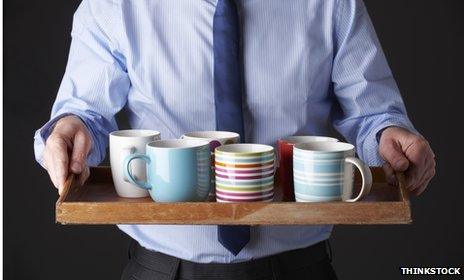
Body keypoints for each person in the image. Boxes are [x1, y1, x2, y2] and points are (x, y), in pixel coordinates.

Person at [34, 0, 436, 279]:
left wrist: (390, 136)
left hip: (299, 269)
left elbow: (372, 116)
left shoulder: (333, 4)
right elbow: (86, 114)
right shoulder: (112, 6)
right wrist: (71, 131)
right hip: (161, 271)